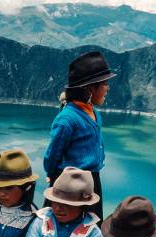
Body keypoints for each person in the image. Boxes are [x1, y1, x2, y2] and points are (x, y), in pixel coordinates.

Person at [43, 51, 116, 220]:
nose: (108, 87)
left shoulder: (95, 113)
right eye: (104, 82)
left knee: (91, 225)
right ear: (89, 88)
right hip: (70, 184)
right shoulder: (67, 119)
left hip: (92, 181)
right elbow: (53, 154)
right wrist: (53, 177)